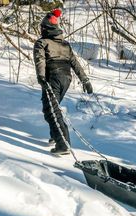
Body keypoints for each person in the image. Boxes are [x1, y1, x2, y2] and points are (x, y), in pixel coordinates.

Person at [33, 9, 93, 155]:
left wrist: (41, 77)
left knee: (51, 110)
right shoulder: (65, 45)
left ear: (46, 28)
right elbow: (75, 63)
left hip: (52, 77)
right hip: (66, 78)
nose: (40, 30)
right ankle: (55, 135)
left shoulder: (42, 43)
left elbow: (40, 60)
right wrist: (85, 80)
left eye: (42, 28)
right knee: (52, 107)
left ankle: (63, 144)